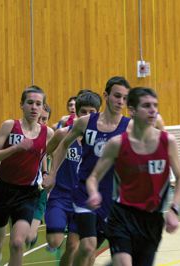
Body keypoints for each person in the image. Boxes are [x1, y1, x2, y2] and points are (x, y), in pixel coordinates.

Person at [86, 87, 180, 266]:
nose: (153, 110)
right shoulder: (117, 144)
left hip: (151, 219)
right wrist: (94, 193)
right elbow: (93, 177)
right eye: (146, 105)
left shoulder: (167, 141)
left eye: (155, 105)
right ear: (131, 110)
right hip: (122, 216)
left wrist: (174, 209)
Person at [43, 76, 131, 266]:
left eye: (125, 98)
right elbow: (63, 145)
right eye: (117, 96)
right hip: (84, 192)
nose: (120, 101)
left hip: (112, 198)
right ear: (106, 96)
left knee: (90, 252)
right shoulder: (85, 123)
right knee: (84, 246)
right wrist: (51, 174)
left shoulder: (130, 127)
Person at [0, 85, 54, 266]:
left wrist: (50, 173)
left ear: (43, 107)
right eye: (30, 103)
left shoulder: (48, 133)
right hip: (2, 190)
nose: (34, 107)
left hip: (27, 194)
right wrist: (15, 148)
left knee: (17, 243)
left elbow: (53, 154)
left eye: (38, 104)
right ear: (21, 105)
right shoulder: (9, 126)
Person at [44, 91, 102, 266]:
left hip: (85, 198)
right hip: (61, 196)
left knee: (79, 247)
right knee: (55, 241)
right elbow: (45, 152)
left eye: (91, 112)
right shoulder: (63, 133)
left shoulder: (101, 139)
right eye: (83, 111)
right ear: (76, 113)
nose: (86, 116)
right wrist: (48, 173)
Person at [26, 103, 52, 248]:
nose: (41, 122)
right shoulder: (25, 135)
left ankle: (33, 231)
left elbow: (46, 158)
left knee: (28, 236)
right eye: (39, 118)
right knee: (17, 238)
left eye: (45, 119)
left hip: (39, 187)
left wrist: (46, 173)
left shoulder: (49, 135)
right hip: (20, 188)